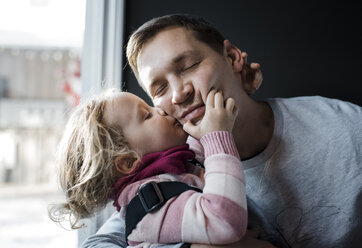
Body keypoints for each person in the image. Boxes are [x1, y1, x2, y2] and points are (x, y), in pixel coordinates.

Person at [81, 14, 362, 248]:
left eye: (189, 66)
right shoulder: (173, 173)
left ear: (232, 57)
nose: (179, 94)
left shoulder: (345, 125)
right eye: (160, 89)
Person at [50, 88, 251, 246]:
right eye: (147, 115)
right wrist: (218, 137)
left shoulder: (173, 169)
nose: (160, 110)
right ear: (129, 162)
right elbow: (225, 221)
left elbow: (202, 137)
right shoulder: (151, 208)